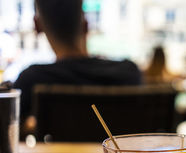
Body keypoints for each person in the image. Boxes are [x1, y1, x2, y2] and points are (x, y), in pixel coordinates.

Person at [14, 0, 142, 134]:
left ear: (37, 26)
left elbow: (10, 132)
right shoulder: (129, 73)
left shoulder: (31, 79)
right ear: (86, 25)